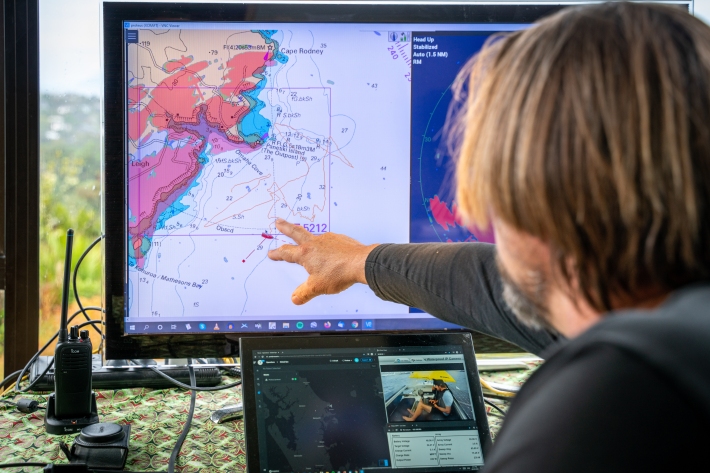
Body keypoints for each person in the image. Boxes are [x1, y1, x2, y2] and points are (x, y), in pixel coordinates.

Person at [268, 2, 710, 471]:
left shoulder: (616, 398)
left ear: (532, 194)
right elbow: (486, 283)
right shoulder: (675, 321)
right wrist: (360, 261)